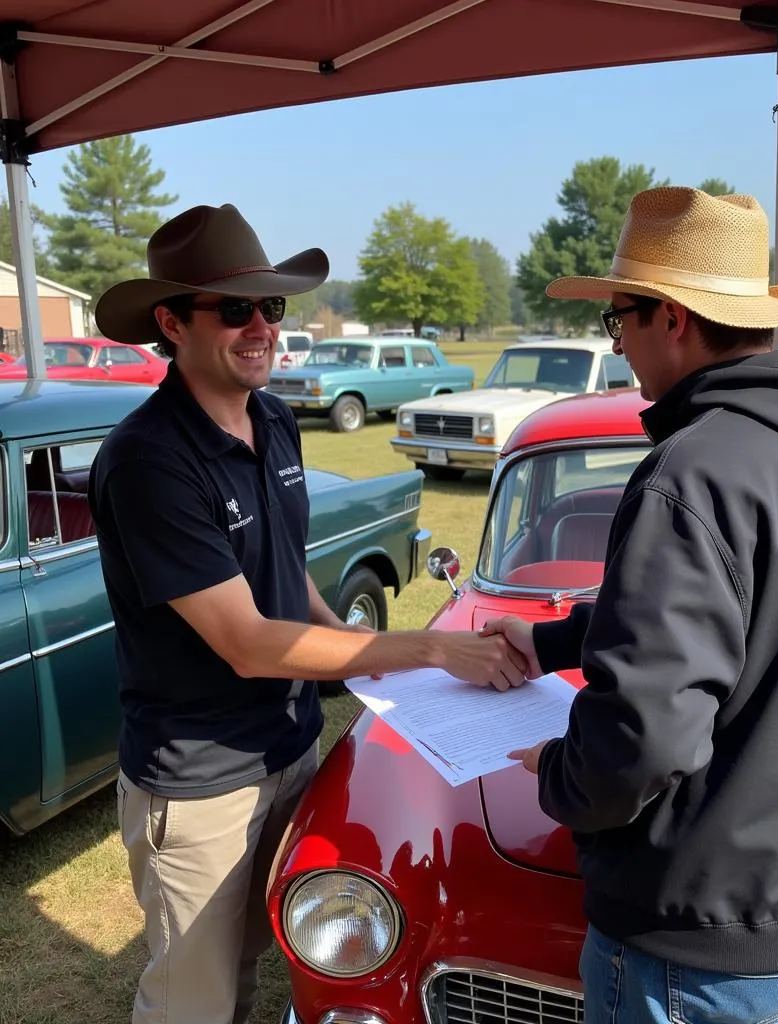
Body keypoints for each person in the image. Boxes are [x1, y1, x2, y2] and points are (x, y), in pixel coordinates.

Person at [483, 186, 778, 1024]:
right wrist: (550, 645)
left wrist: (558, 776)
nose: (619, 350)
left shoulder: (693, 469)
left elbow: (642, 739)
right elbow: (773, 617)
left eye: (620, 321)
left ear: (673, 319)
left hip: (704, 938)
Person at [88, 203, 527, 1024]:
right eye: (235, 309)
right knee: (196, 999)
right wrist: (425, 648)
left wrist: (360, 644)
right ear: (170, 322)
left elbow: (286, 580)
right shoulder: (148, 460)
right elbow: (248, 643)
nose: (261, 327)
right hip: (200, 783)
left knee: (285, 954)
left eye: (272, 306)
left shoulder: (275, 419)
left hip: (291, 752)